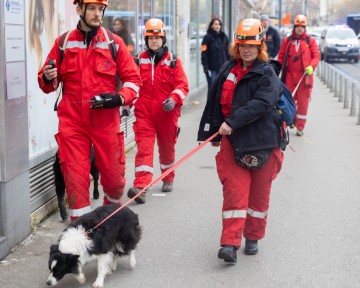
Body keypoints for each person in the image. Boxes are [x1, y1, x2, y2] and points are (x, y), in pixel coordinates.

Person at [38, 0, 141, 221]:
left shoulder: (114, 43)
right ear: (79, 10)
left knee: (114, 182)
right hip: (72, 124)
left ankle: (110, 224)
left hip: (106, 122)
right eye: (92, 8)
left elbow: (133, 79)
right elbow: (47, 82)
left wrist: (119, 98)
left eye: (100, 9)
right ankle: (81, 237)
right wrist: (47, 77)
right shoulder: (63, 43)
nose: (97, 14)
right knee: (76, 184)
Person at [197, 19, 284, 264]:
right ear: (237, 46)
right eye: (242, 45)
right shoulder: (228, 69)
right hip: (233, 142)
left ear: (260, 48)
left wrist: (232, 122)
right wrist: (212, 131)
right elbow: (217, 101)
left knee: (258, 197)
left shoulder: (268, 73)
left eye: (252, 46)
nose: (246, 50)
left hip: (264, 144)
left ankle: (253, 237)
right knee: (234, 194)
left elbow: (262, 103)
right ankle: (230, 244)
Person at [127, 18, 189, 204]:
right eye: (150, 38)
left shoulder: (173, 61)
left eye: (157, 38)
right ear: (146, 40)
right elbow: (131, 83)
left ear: (163, 39)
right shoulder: (138, 60)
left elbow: (183, 85)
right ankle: (141, 187)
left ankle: (168, 177)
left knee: (167, 150)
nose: (154, 41)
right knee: (144, 149)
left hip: (167, 115)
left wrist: (174, 98)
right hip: (144, 114)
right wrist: (125, 105)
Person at [277, 14, 320, 136]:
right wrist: (277, 72)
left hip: (304, 78)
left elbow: (316, 55)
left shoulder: (310, 41)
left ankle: (300, 127)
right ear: (294, 27)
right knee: (287, 101)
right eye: (298, 26)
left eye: (302, 26)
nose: (300, 29)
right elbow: (281, 56)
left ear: (305, 28)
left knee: (303, 103)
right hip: (289, 76)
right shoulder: (288, 40)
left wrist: (312, 66)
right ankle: (288, 122)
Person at [201, 17, 230, 98]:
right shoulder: (207, 38)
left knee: (222, 88)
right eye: (215, 24)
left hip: (223, 68)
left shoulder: (224, 37)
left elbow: (228, 52)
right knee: (212, 88)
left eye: (219, 24)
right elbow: (204, 53)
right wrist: (206, 67)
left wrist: (230, 65)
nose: (217, 26)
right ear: (211, 26)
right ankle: (210, 108)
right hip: (211, 69)